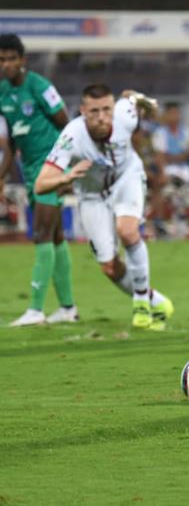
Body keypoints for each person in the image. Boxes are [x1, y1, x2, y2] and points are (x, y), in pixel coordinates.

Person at [35, 84, 174, 330]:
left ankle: (141, 303)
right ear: (83, 111)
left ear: (113, 108)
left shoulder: (124, 115)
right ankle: (158, 301)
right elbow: (41, 185)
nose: (101, 117)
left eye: (106, 110)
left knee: (128, 231)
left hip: (126, 178)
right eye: (94, 111)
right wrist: (65, 178)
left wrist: (144, 103)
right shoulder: (71, 137)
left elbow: (133, 99)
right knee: (109, 267)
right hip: (91, 196)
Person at [0, 33, 78, 327]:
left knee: (41, 234)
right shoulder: (2, 92)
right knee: (56, 237)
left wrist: (67, 170)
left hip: (52, 168)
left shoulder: (41, 87)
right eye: (1, 60)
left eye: (10, 59)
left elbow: (68, 127)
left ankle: (35, 309)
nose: (5, 64)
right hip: (29, 169)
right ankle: (68, 308)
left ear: (22, 60)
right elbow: (11, 142)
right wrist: (2, 177)